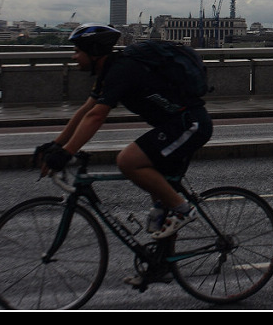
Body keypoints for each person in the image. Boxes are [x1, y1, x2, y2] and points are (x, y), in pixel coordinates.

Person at [37, 24, 213, 248]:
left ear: (94, 52)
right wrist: (56, 144)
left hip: (190, 125)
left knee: (128, 161)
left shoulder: (122, 70)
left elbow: (97, 117)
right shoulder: (109, 72)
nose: (74, 57)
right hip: (174, 125)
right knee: (160, 202)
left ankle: (184, 211)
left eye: (78, 51)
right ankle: (162, 265)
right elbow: (86, 111)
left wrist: (66, 153)